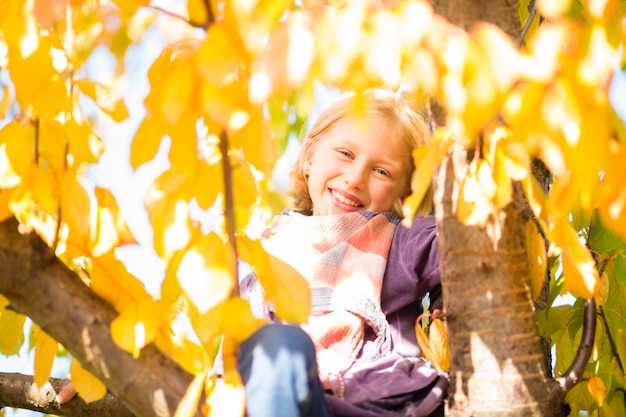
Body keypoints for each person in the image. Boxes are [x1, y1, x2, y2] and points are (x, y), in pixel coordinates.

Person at [238, 88, 447, 417]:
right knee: (278, 346)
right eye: (345, 154)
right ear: (309, 158)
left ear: (406, 193)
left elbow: (466, 246)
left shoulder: (398, 242)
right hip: (289, 405)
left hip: (373, 405)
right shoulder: (269, 252)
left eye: (382, 171)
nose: (354, 178)